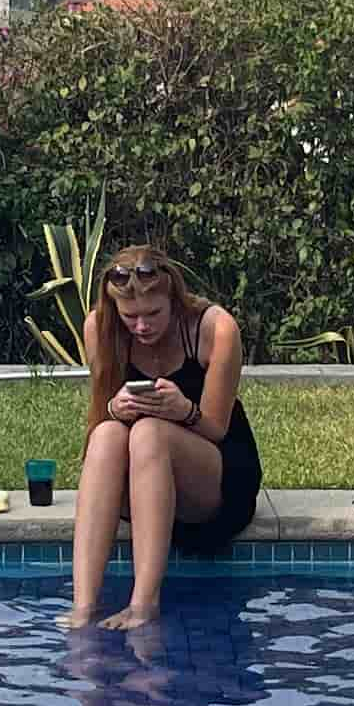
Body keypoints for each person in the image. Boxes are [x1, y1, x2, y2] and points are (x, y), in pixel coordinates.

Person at [62, 241, 260, 628]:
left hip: (213, 482)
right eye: (130, 316)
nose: (141, 326)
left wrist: (184, 411)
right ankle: (83, 605)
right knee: (106, 436)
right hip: (141, 484)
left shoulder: (215, 328)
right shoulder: (99, 328)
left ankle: (143, 604)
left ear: (173, 297)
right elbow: (97, 420)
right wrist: (114, 409)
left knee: (150, 432)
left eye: (153, 313)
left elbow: (217, 428)